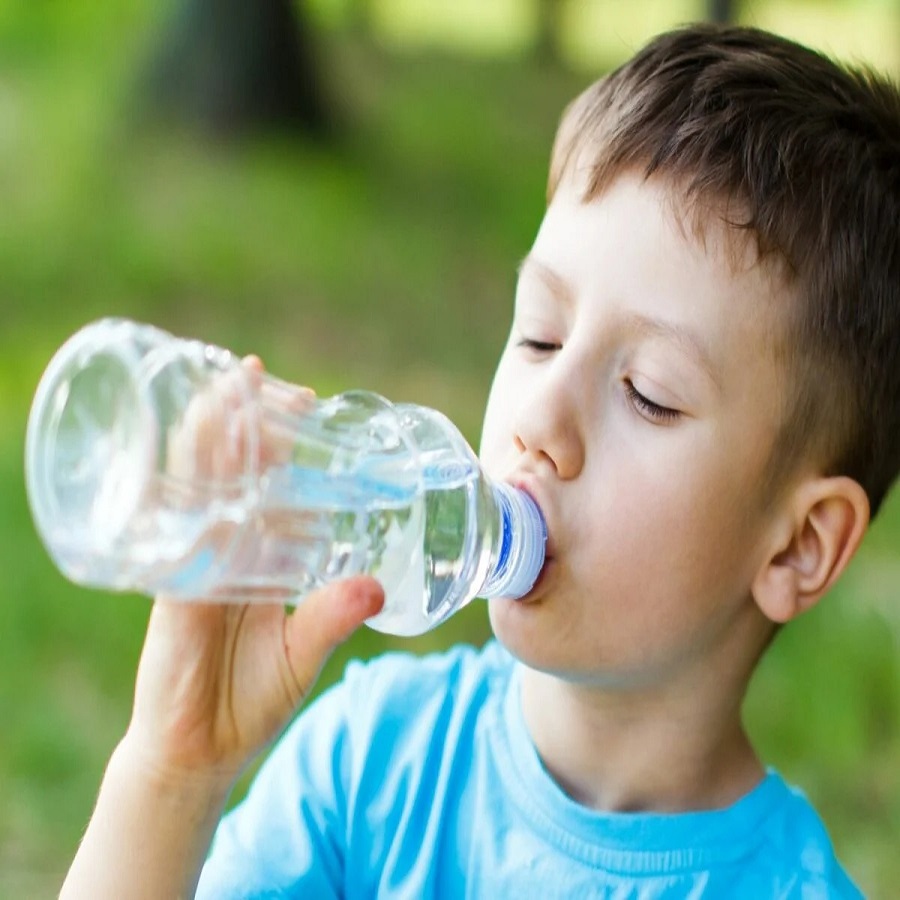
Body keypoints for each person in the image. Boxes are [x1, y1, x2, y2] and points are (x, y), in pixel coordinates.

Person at [61, 23, 900, 898]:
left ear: (799, 546)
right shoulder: (372, 765)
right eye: (540, 334)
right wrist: (170, 775)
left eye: (648, 392)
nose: (542, 418)